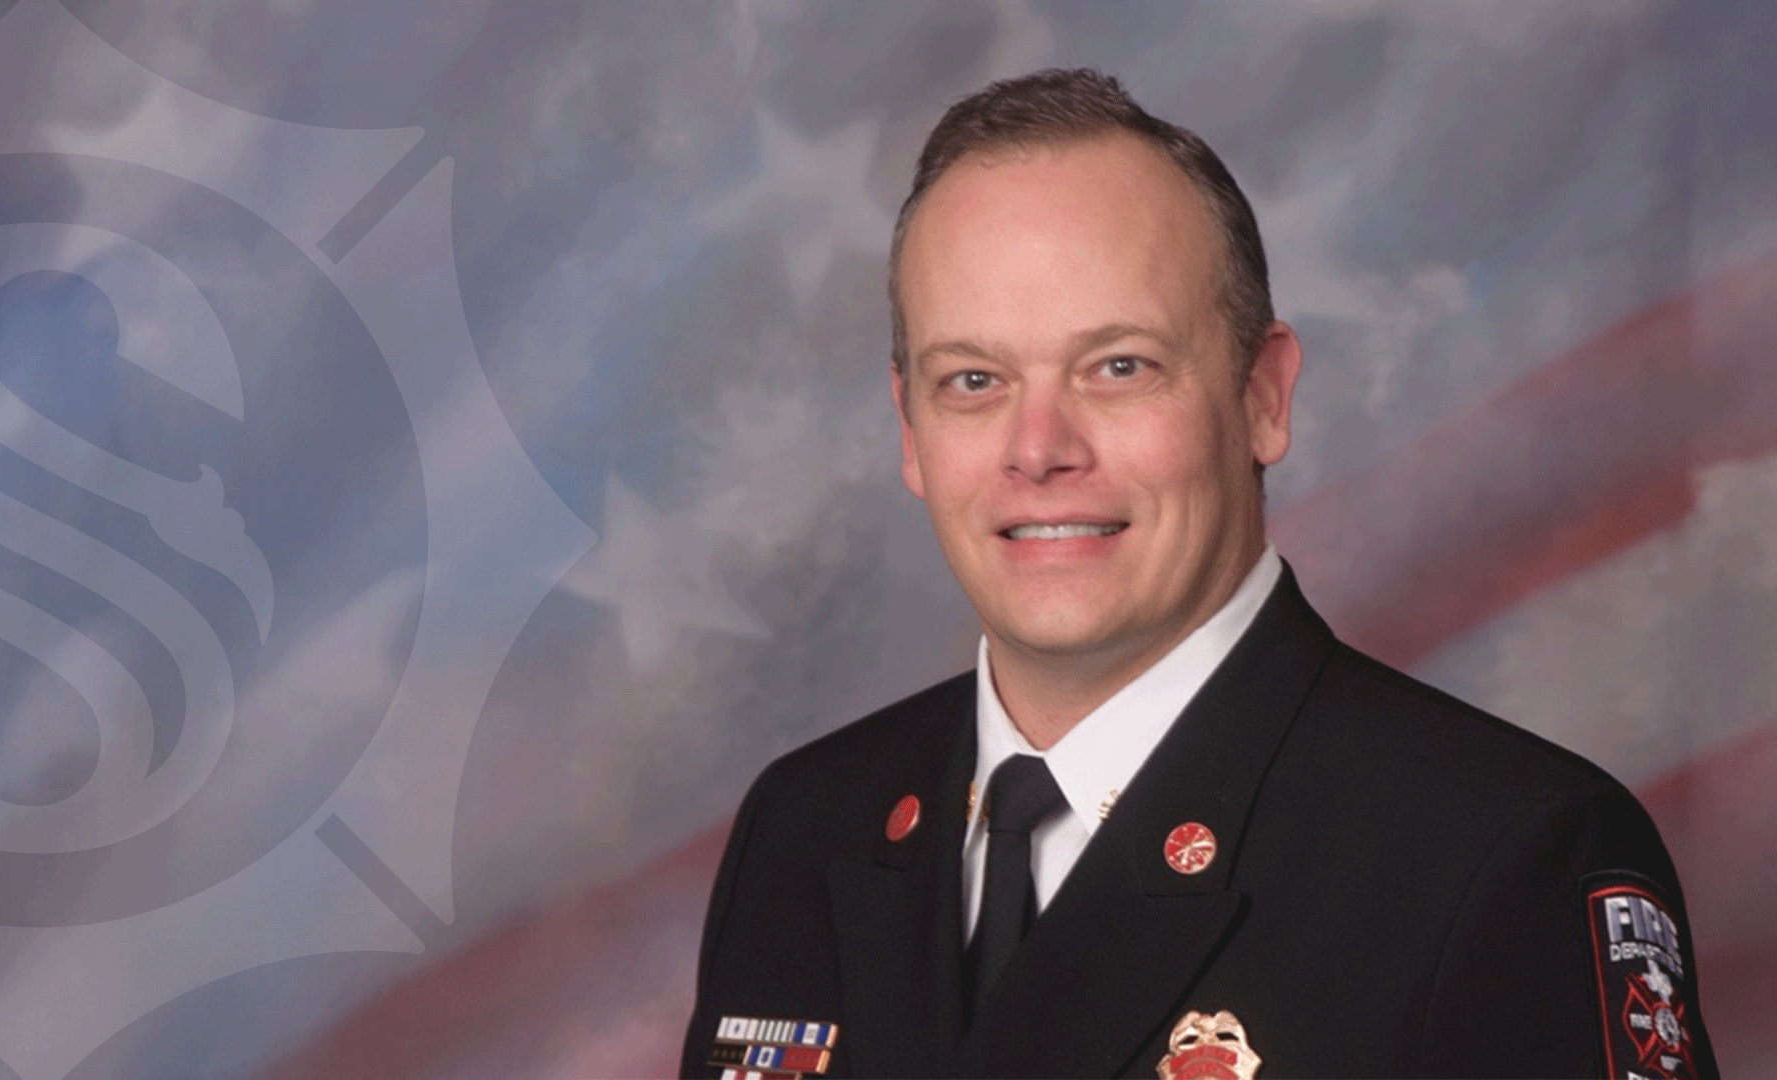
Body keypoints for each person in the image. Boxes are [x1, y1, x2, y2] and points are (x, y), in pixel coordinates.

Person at [679, 68, 1715, 1080]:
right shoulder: (807, 827)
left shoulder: (1504, 859)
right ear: (910, 429)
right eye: (975, 380)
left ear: (1263, 396)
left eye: (1119, 366)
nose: (1038, 448)